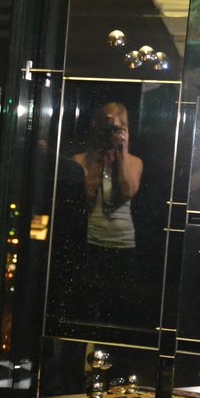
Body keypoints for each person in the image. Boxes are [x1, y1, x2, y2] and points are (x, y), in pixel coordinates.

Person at [72, 102, 143, 324]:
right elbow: (88, 193)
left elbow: (128, 191)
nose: (111, 134)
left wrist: (122, 152)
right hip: (92, 244)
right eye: (107, 129)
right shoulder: (81, 160)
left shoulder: (134, 162)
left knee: (120, 311)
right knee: (89, 309)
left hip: (123, 246)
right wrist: (99, 152)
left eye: (117, 129)